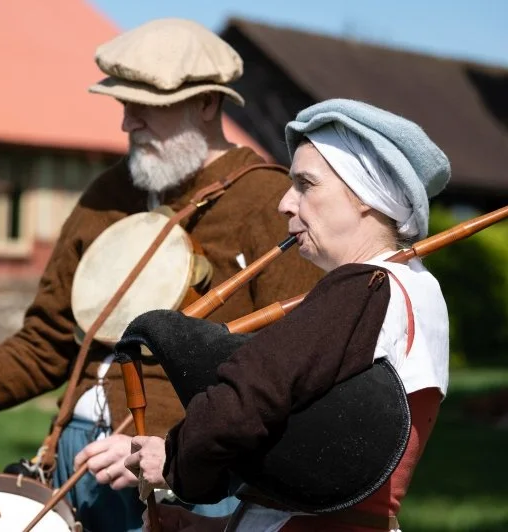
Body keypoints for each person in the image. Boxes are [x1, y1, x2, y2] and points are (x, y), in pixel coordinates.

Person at [0, 18, 323, 532]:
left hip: (190, 479)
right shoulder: (106, 195)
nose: (128, 123)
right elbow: (44, 344)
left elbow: (282, 373)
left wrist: (173, 448)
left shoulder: (270, 203)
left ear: (206, 103)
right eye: (123, 104)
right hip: (76, 459)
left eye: (146, 106)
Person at [125, 98, 451, 531]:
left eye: (305, 184)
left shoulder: (365, 288)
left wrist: (176, 458)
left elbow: (249, 392)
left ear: (365, 195)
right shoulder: (417, 288)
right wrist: (210, 527)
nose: (285, 203)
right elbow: (314, 458)